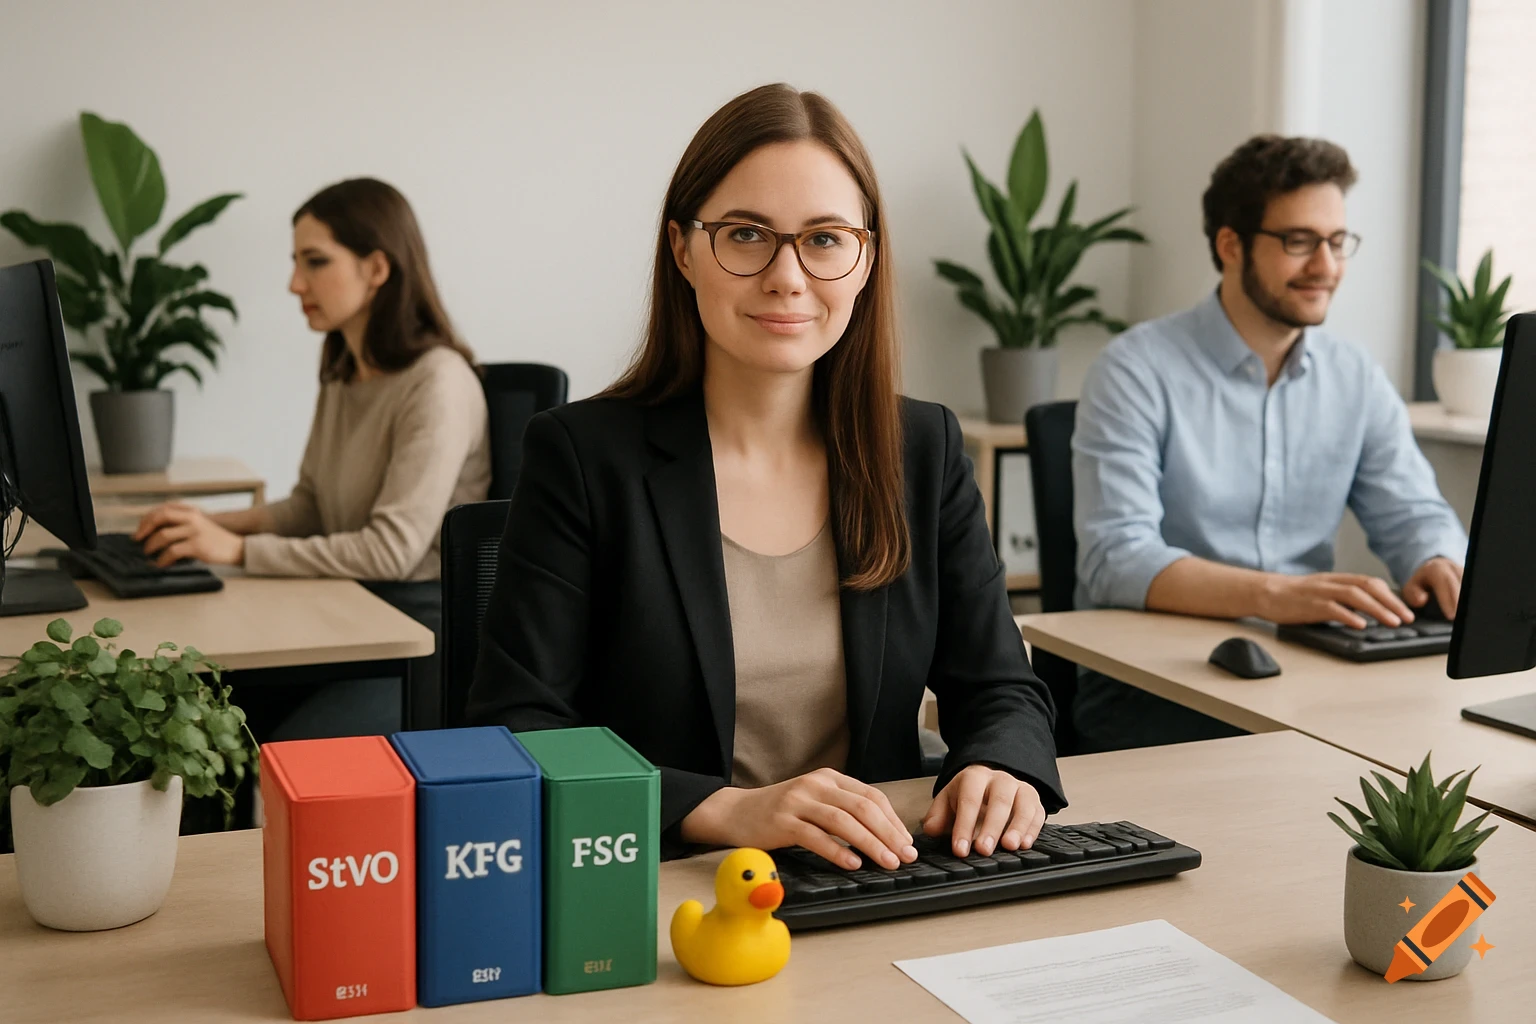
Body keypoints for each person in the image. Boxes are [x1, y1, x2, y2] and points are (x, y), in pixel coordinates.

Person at [465, 83, 1064, 866]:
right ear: (683, 249)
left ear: (866, 259)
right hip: (664, 884)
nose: (787, 275)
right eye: (747, 234)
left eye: (824, 239)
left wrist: (1002, 764)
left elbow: (1001, 688)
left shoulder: (923, 447)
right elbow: (518, 727)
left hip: (873, 880)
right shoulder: (583, 455)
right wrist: (728, 811)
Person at [1071, 135, 1468, 753]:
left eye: (1337, 243)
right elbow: (1115, 558)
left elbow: (1411, 512)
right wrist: (1277, 594)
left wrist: (1437, 561)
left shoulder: (1355, 376)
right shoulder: (1135, 368)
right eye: (1300, 242)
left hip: (1305, 667)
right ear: (1230, 245)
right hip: (1151, 683)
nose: (1327, 267)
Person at [135, 178, 491, 739]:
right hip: (351, 609)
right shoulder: (346, 371)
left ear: (377, 269)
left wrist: (236, 550)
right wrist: (205, 526)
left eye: (315, 262)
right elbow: (310, 505)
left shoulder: (437, 383)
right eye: (296, 262)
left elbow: (391, 551)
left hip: (415, 638)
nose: (295, 283)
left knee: (268, 739)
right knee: (190, 697)